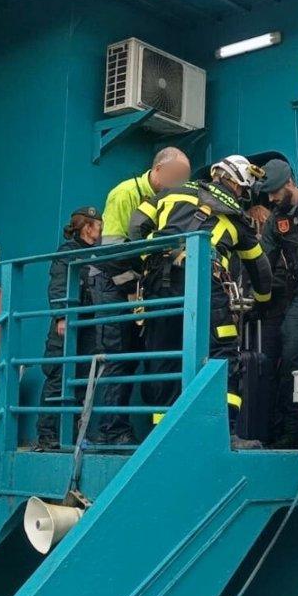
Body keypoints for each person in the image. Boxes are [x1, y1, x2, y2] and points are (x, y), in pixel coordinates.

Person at [129, 155, 273, 449]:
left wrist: (149, 256)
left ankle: (162, 437)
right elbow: (261, 270)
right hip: (206, 284)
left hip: (159, 284)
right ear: (238, 185)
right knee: (224, 355)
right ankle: (225, 433)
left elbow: (136, 224)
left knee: (164, 356)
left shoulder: (172, 193)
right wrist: (262, 301)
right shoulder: (237, 219)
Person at [90, 147, 191, 445]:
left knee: (138, 354)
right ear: (158, 170)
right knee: (118, 354)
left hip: (136, 286)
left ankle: (125, 427)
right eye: (177, 176)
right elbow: (112, 251)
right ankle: (111, 430)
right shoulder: (124, 194)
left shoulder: (168, 201)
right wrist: (133, 290)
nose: (180, 182)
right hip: (110, 282)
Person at [257, 159, 298, 449]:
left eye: (273, 192)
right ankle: (290, 433)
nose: (270, 199)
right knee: (292, 352)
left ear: (289, 184)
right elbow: (265, 261)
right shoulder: (275, 220)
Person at [35, 206, 103, 451]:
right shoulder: (68, 253)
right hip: (67, 325)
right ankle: (48, 436)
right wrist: (62, 316)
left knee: (82, 380)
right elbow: (59, 284)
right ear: (88, 226)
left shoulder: (96, 254)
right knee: (58, 377)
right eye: (98, 224)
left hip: (87, 325)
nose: (102, 229)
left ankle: (73, 434)